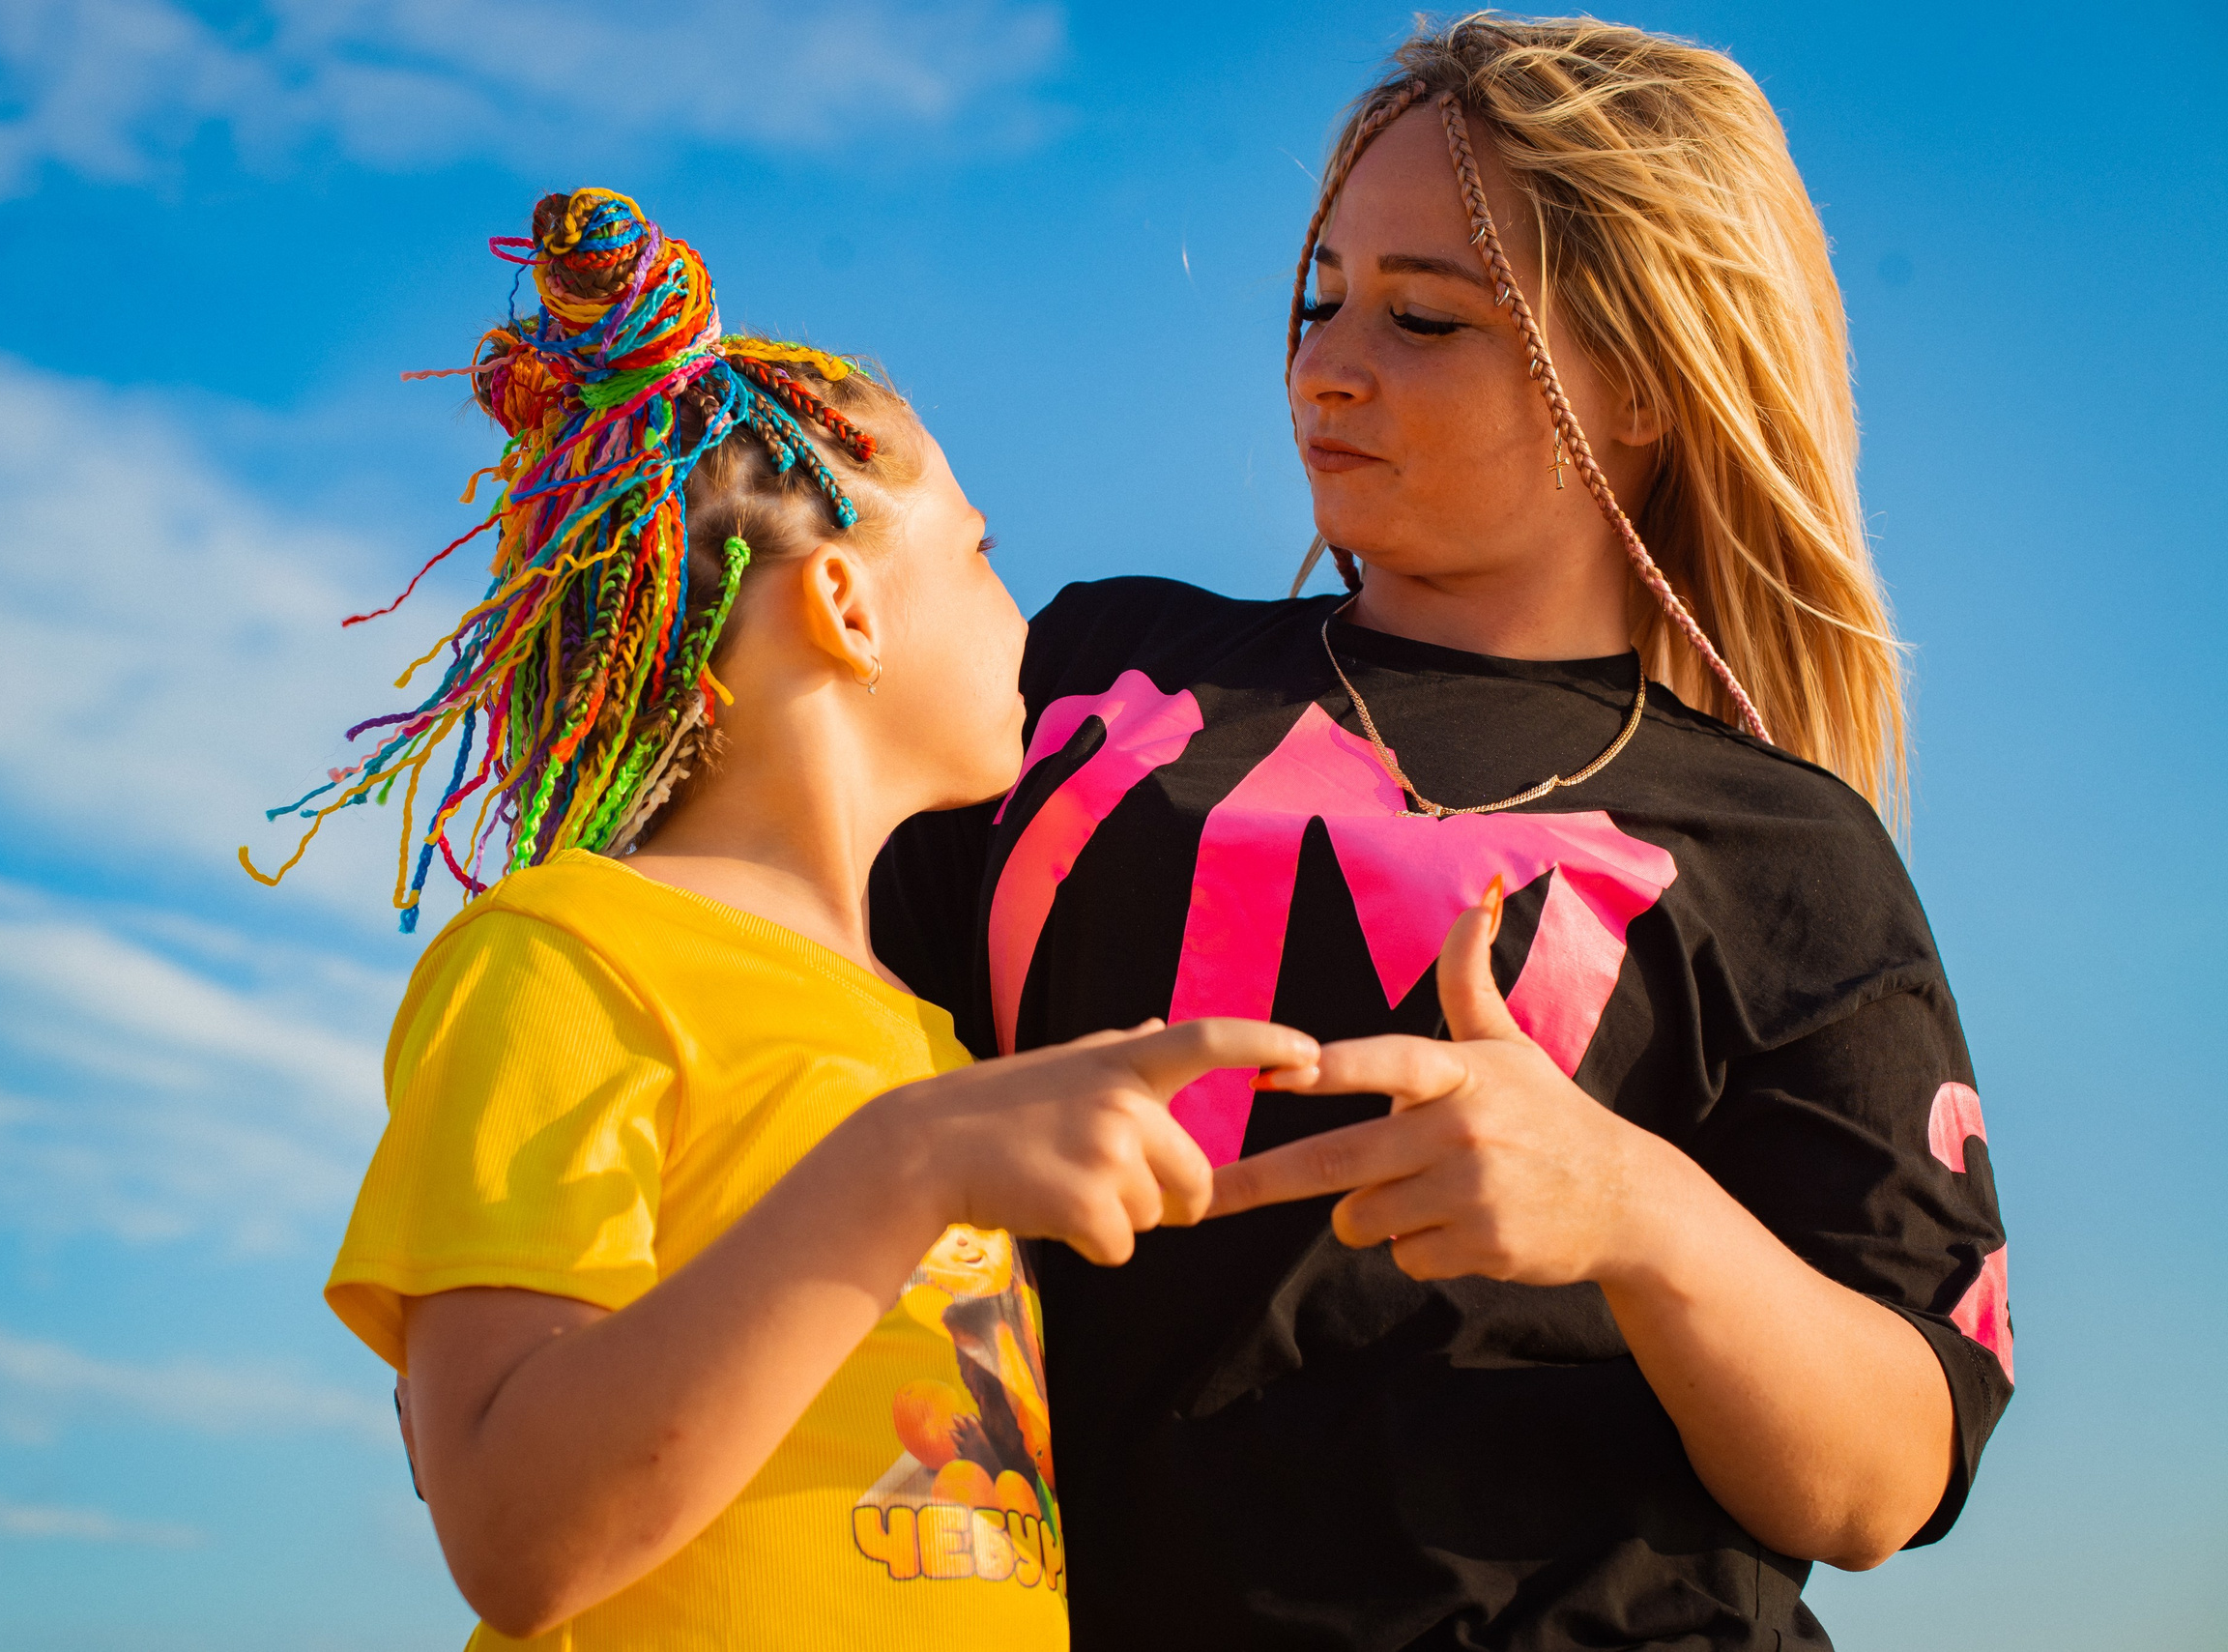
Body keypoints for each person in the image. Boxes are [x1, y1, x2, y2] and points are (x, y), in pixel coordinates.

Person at [871, 17, 2012, 1651]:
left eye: (1423, 317)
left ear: (1643, 381)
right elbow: (781, 968)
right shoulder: (1092, 667)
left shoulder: (1786, 848)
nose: (1326, 362)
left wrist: (1635, 1208)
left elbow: (1885, 1476)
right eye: (1321, 293)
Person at [248, 190, 1317, 1648]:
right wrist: (905, 1164)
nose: (1028, 616)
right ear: (846, 608)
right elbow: (508, 1530)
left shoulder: (932, 1035)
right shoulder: (568, 956)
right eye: (982, 553)